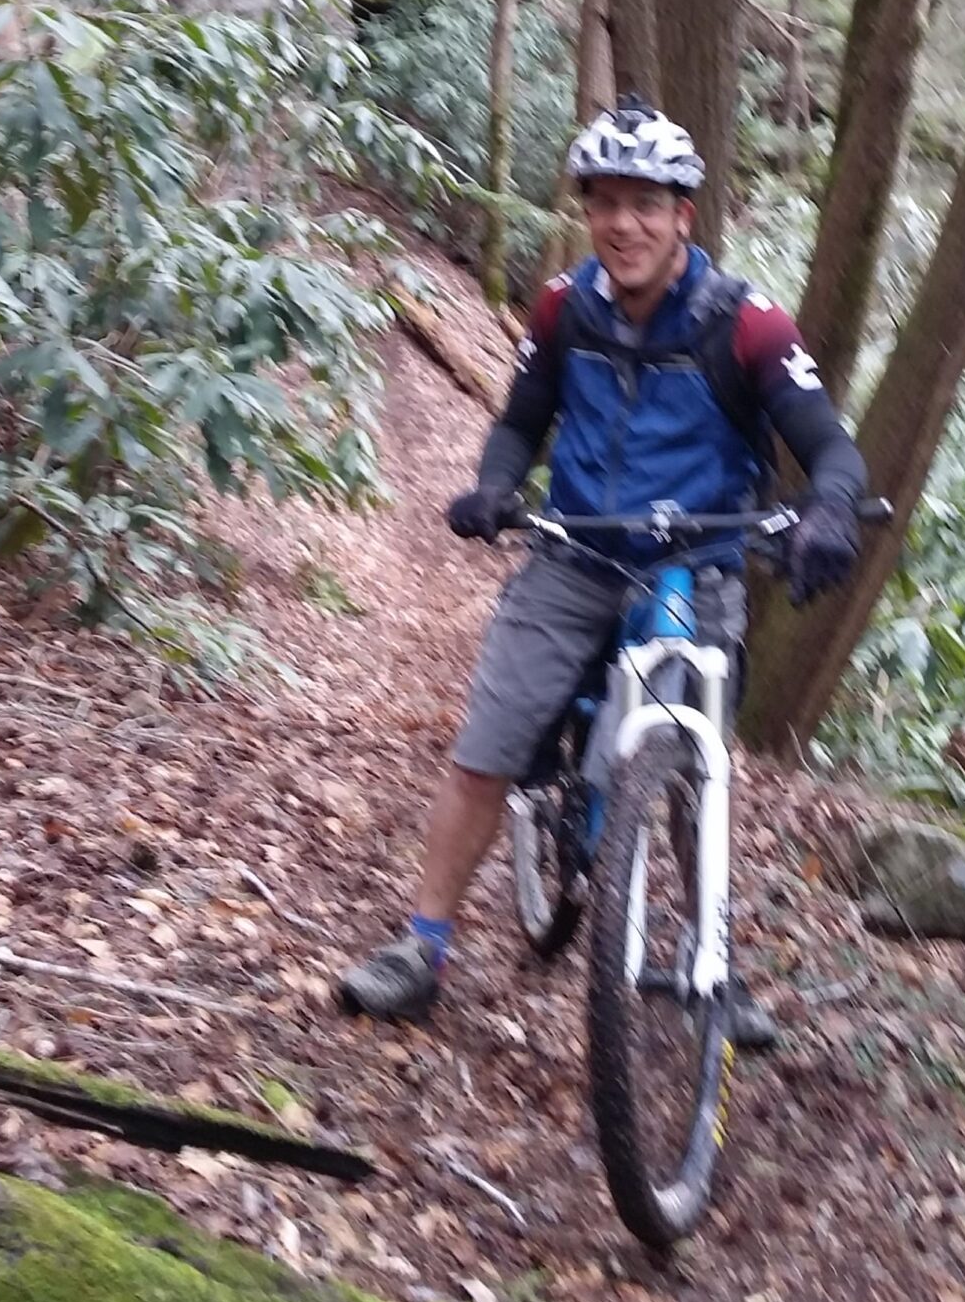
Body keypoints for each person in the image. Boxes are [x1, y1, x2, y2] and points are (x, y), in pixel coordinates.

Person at [337, 99, 867, 1041]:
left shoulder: (747, 326)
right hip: (577, 550)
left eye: (645, 205)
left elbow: (829, 446)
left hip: (698, 561)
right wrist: (497, 486)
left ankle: (714, 959)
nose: (623, 224)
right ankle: (422, 947)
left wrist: (827, 511)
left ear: (683, 217)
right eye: (606, 203)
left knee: (694, 763)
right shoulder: (563, 307)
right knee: (488, 746)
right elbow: (520, 419)